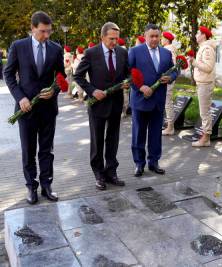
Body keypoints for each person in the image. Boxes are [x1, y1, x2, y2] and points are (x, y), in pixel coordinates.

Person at [3, 11, 66, 204]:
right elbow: (8, 74)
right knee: (28, 150)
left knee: (47, 149)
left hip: (48, 109)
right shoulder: (18, 46)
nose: (46, 35)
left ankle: (47, 185)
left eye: (49, 31)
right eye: (42, 31)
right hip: (26, 109)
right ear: (32, 29)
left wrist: (54, 91)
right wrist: (20, 97)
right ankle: (31, 187)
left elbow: (61, 77)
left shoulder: (56, 48)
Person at [74, 22, 130, 190]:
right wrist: (92, 91)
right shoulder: (91, 53)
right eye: (111, 39)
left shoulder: (122, 52)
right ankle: (98, 174)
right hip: (97, 104)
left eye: (117, 39)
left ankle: (111, 172)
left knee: (113, 139)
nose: (114, 42)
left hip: (116, 103)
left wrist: (127, 81)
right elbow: (78, 76)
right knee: (97, 140)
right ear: (102, 37)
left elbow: (127, 72)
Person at [128, 24, 178, 177]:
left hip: (158, 101)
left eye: (157, 36)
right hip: (141, 100)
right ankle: (139, 164)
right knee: (139, 134)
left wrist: (170, 78)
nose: (155, 39)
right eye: (152, 36)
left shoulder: (166, 53)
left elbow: (175, 70)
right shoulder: (135, 51)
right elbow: (127, 73)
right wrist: (140, 87)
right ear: (146, 35)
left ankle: (154, 162)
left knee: (156, 134)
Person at [189, 26, 216, 147]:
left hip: (205, 83)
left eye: (198, 33)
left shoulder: (207, 49)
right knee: (204, 111)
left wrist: (194, 62)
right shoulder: (203, 48)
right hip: (202, 83)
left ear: (204, 35)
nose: (195, 35)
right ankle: (205, 136)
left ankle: (206, 138)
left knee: (205, 112)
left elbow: (208, 67)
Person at [161, 31, 177, 135]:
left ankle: (170, 127)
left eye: (162, 38)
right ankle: (169, 125)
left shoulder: (168, 50)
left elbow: (171, 66)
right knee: (167, 102)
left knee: (167, 102)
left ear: (166, 40)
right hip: (168, 78)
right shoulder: (170, 49)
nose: (161, 40)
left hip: (168, 79)